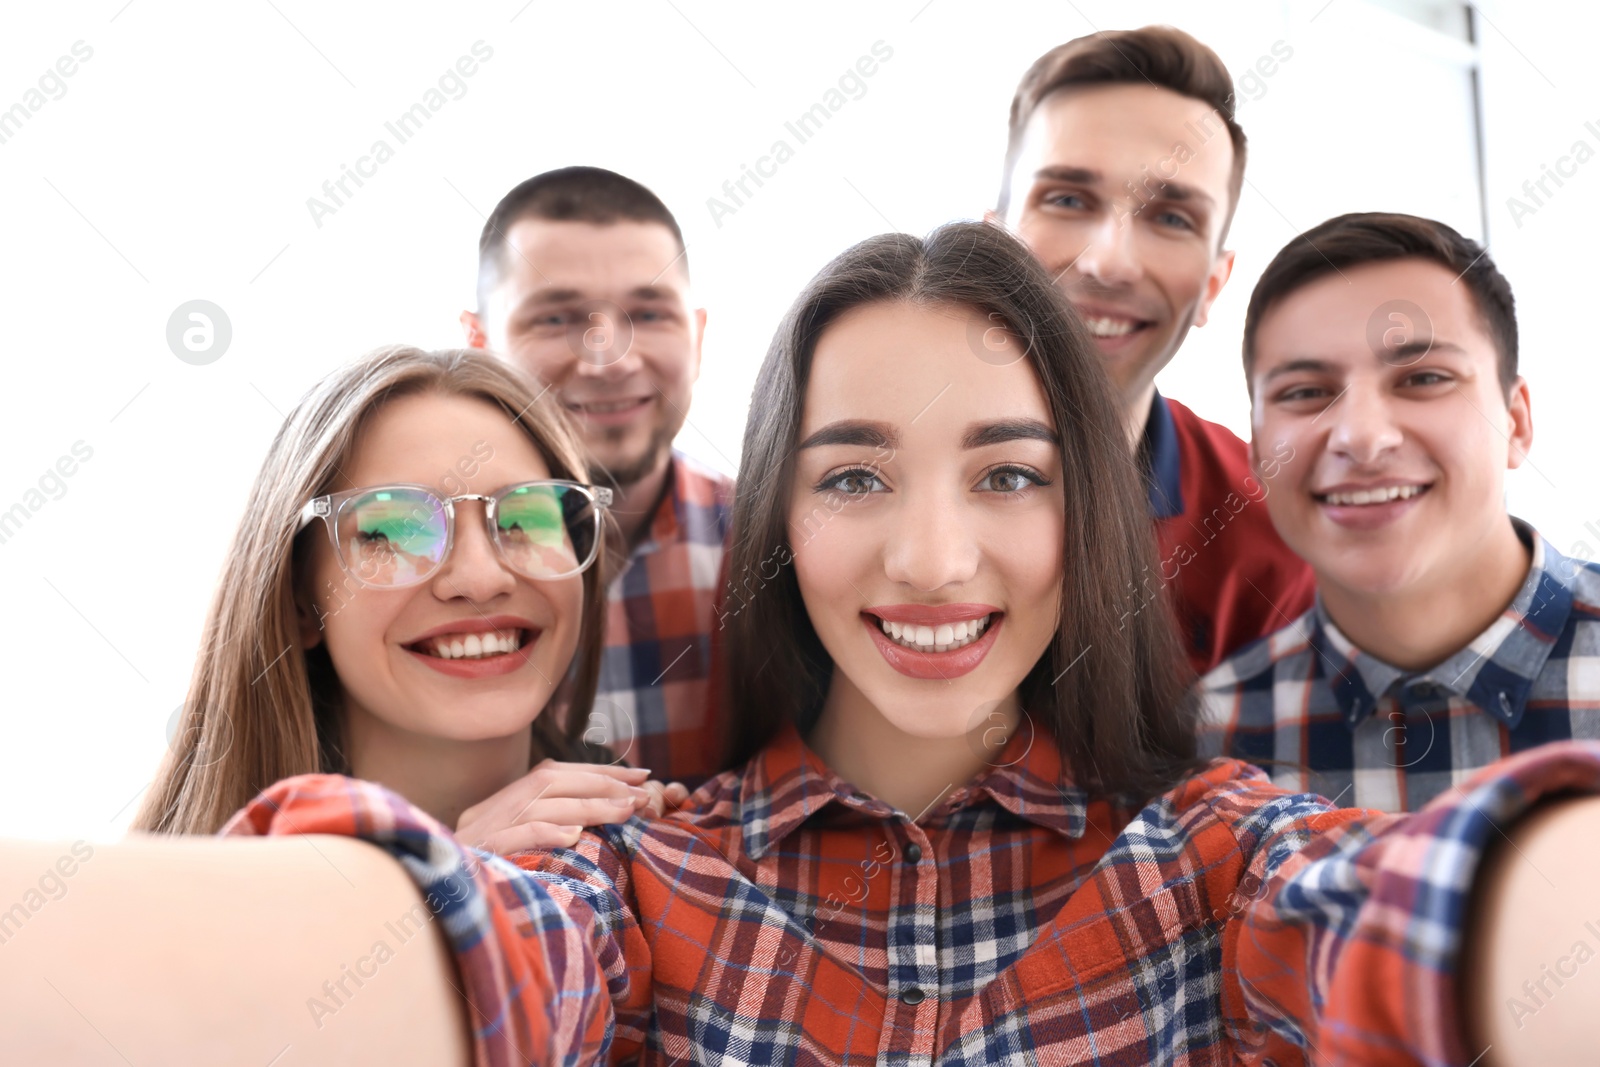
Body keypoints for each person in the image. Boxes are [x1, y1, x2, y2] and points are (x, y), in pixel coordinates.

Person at [7, 225, 1600, 1066]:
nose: (930, 552)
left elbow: (1418, 917)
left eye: (1009, 471)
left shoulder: (1215, 856)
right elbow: (454, 958)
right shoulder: (634, 874)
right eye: (854, 473)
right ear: (776, 516)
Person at [133, 345, 681, 847]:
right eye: (396, 531)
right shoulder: (197, 900)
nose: (480, 578)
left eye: (524, 518)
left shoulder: (655, 847)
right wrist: (451, 883)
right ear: (300, 603)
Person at [1200, 212, 1600, 811]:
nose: (1361, 438)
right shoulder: (1208, 742)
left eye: (1424, 378)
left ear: (1516, 423)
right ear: (1257, 455)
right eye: (1305, 392)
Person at [991, 26, 1315, 673]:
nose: (1110, 262)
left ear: (1212, 287)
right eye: (1065, 198)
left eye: (1171, 217)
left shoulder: (1275, 538)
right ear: (989, 242)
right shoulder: (837, 477)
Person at [460, 167, 735, 786]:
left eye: (648, 312)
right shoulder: (424, 567)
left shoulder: (786, 550)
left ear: (698, 339)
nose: (610, 359)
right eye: (557, 319)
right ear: (478, 346)